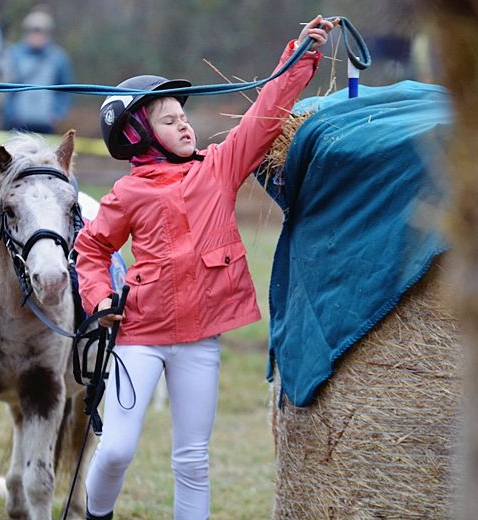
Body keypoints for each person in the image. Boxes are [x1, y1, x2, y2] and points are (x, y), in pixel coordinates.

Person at [74, 15, 337, 520]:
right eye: (168, 120)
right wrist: (98, 299)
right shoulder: (128, 193)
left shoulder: (218, 167)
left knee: (192, 458)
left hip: (200, 338)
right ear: (136, 134)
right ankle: (96, 513)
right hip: (140, 336)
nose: (184, 124)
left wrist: (302, 53)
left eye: (184, 116)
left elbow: (266, 112)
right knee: (117, 451)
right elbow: (92, 250)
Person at [0, 7, 73, 134]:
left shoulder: (58, 57)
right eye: (33, 31)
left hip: (46, 124)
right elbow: (6, 88)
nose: (37, 35)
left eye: (41, 31)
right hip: (17, 123)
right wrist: (11, 114)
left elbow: (66, 89)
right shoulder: (14, 55)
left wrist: (56, 114)